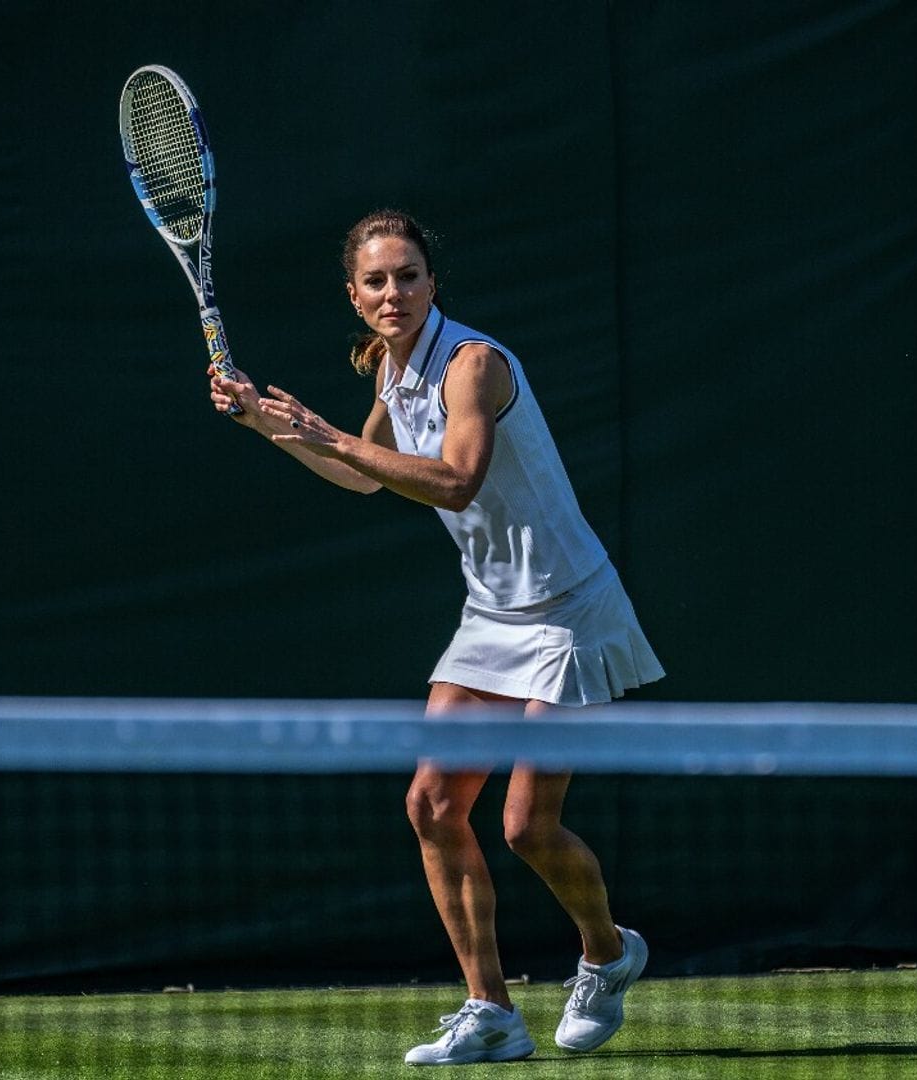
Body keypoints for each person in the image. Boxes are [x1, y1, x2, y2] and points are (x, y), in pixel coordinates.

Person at [209, 209, 664, 1066]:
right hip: (491, 614)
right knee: (431, 805)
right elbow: (360, 476)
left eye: (408, 275)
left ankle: (608, 951)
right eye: (376, 282)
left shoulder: (473, 365)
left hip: (568, 608)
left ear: (431, 283)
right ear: (355, 295)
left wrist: (326, 430)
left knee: (529, 827)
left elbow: (455, 483)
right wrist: (262, 423)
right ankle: (491, 1012)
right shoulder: (390, 368)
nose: (394, 293)